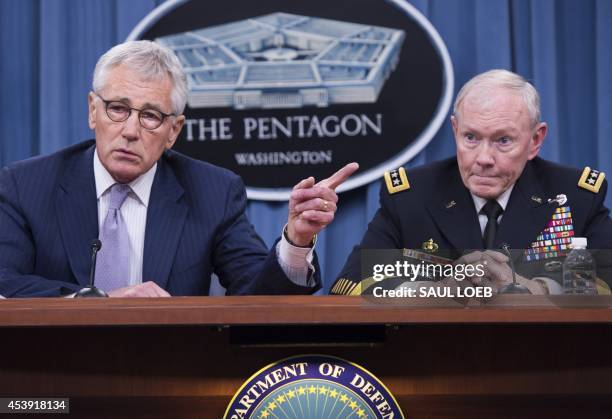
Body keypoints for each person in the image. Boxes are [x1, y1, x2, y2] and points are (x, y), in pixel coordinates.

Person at [0, 40, 358, 298]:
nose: (130, 130)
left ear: (174, 131)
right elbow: (4, 281)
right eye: (117, 109)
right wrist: (95, 301)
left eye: (151, 116)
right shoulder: (26, 185)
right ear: (93, 110)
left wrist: (296, 241)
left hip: (171, 379)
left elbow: (258, 297)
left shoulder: (212, 192)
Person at [331, 69, 612, 296]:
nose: (483, 158)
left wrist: (533, 290)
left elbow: (607, 283)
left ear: (535, 140)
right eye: (471, 138)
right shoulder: (412, 196)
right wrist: (435, 292)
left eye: (503, 140)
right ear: (455, 130)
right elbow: (353, 286)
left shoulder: (574, 195)